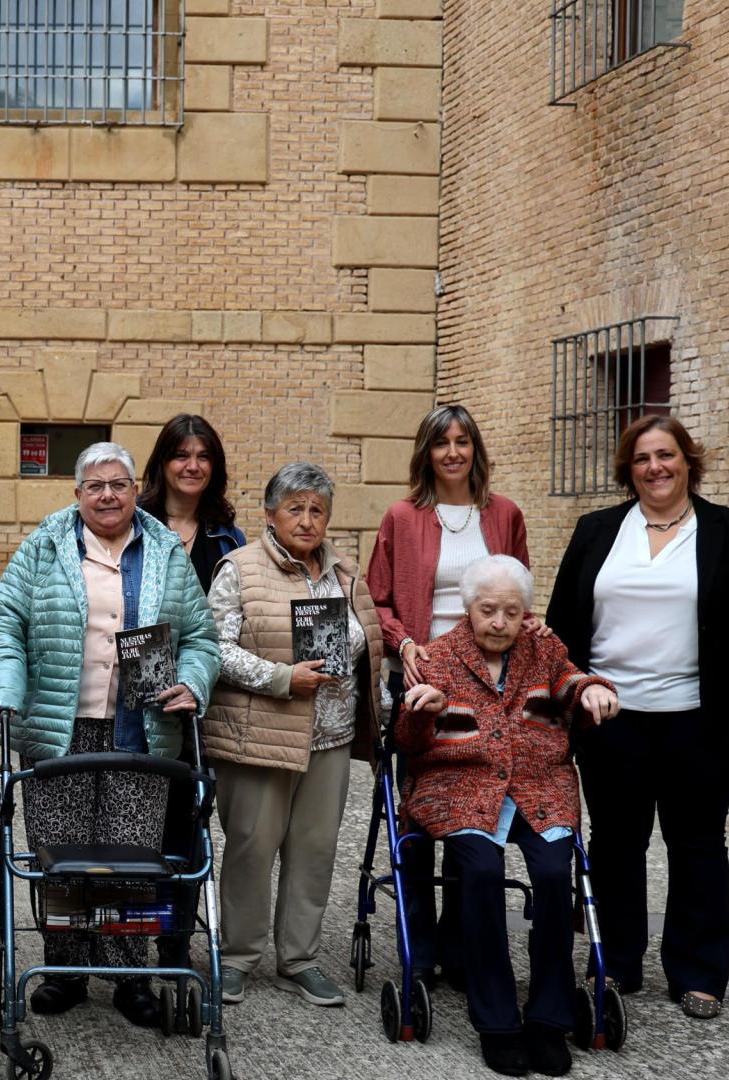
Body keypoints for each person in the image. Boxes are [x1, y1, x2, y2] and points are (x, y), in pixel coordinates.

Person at [546, 415, 729, 1020]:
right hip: (610, 719)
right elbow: (562, 625)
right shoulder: (598, 531)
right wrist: (566, 700)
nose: (656, 467)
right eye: (643, 458)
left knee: (698, 844)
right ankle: (618, 963)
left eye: (667, 455)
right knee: (617, 843)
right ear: (629, 469)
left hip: (698, 721)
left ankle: (699, 971)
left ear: (687, 461)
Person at [0, 441, 221, 1027]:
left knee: (128, 857)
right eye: (95, 485)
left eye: (119, 484)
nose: (108, 495)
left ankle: (128, 975)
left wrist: (193, 682)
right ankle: (66, 971)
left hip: (139, 729)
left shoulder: (165, 549)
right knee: (64, 857)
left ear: (137, 489)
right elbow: (4, 623)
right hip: (59, 730)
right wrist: (6, 689)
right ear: (77, 493)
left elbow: (201, 639)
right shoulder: (44, 545)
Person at [400, 555, 620, 1077]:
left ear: (527, 613)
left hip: (538, 786)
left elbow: (573, 681)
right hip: (459, 787)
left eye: (512, 612)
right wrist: (421, 713)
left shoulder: (543, 648)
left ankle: (547, 1018)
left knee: (551, 875)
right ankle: (496, 1022)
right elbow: (410, 747)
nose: (499, 622)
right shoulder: (438, 657)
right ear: (468, 608)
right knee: (480, 871)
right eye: (488, 610)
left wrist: (593, 691)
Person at [203, 462, 383, 1008]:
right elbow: (217, 648)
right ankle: (236, 957)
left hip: (329, 735)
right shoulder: (239, 568)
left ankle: (299, 959)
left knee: (314, 850)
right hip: (260, 734)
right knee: (253, 848)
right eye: (295, 509)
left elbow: (367, 643)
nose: (307, 520)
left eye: (317, 510)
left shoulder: (346, 574)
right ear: (270, 513)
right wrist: (283, 678)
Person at [366, 404, 531, 989]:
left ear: (475, 450)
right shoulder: (402, 517)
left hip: (490, 683)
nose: (453, 453)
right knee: (417, 809)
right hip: (423, 677)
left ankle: (465, 946)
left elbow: (518, 596)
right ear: (427, 453)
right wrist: (403, 643)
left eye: (463, 442)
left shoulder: (504, 514)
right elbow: (378, 599)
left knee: (475, 807)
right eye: (442, 443)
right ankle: (421, 945)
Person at [136, 413, 246, 970]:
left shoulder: (228, 537)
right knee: (136, 819)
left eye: (204, 456)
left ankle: (172, 941)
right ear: (163, 462)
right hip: (138, 695)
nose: (193, 465)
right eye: (182, 454)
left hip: (199, 700)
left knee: (185, 821)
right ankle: (122, 933)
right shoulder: (133, 523)